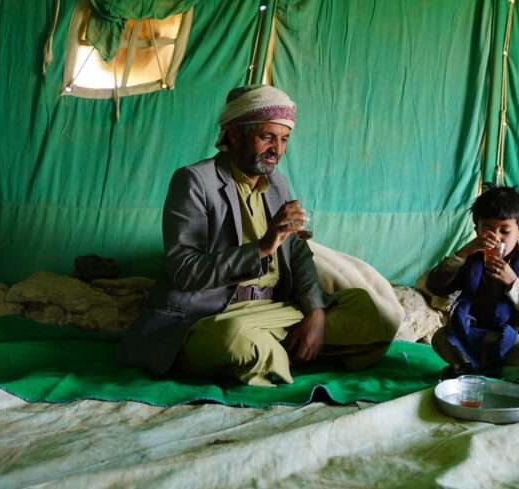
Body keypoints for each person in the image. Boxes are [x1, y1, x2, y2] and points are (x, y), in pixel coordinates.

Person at [118, 85, 397, 386]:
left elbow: (300, 253)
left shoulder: (278, 184)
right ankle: (287, 355)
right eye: (267, 137)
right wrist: (263, 247)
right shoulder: (194, 181)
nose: (276, 150)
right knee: (235, 340)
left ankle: (276, 355)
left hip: (275, 311)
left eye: (284, 139)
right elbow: (185, 272)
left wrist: (315, 313)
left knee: (369, 312)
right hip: (215, 317)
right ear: (234, 134)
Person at [425, 185, 519, 385]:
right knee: (441, 338)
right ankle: (471, 370)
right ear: (476, 230)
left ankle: (501, 379)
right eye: (487, 229)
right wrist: (463, 253)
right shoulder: (470, 259)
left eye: (504, 231)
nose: (495, 238)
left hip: (513, 339)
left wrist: (513, 283)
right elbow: (436, 286)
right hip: (474, 336)